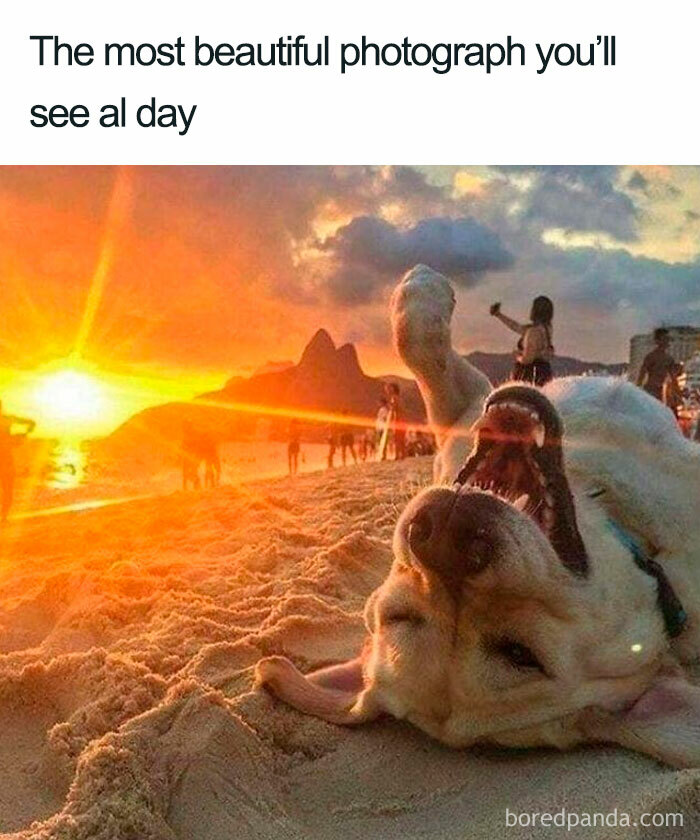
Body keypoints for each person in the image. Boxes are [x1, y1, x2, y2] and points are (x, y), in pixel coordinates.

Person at [490, 296, 555, 386]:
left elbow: (527, 359)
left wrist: (517, 355)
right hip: (544, 373)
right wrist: (499, 315)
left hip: (528, 376)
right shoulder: (547, 329)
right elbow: (516, 326)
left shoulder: (533, 332)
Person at [0, 402, 35, 523]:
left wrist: (21, 436)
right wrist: (22, 435)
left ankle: (4, 516)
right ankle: (4, 516)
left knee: (8, 489)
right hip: (6, 458)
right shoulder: (8, 419)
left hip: (6, 458)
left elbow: (31, 423)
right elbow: (31, 423)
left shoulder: (8, 419)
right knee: (8, 489)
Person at [637, 328, 683, 407]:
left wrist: (678, 394)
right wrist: (637, 388)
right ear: (657, 341)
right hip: (650, 389)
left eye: (667, 338)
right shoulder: (651, 356)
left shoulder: (669, 359)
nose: (666, 341)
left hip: (661, 390)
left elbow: (673, 378)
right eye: (664, 338)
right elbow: (642, 373)